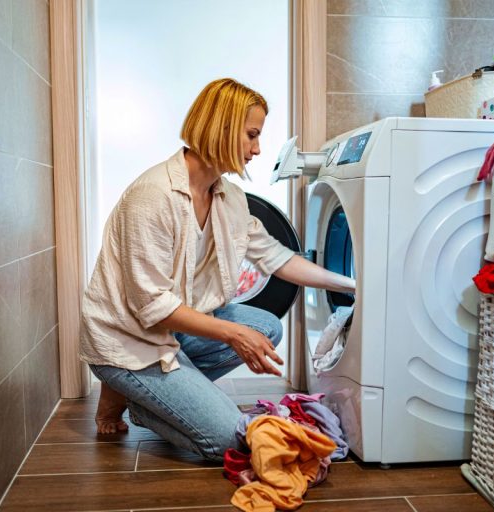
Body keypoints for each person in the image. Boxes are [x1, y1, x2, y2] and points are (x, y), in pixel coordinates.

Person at [80, 78, 356, 461]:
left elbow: (278, 259)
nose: (258, 150)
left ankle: (161, 394)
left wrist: (354, 284)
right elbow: (151, 307)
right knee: (229, 439)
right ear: (222, 128)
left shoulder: (229, 197)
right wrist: (232, 334)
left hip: (171, 333)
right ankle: (141, 400)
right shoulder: (153, 196)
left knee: (266, 328)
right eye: (252, 135)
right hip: (131, 342)